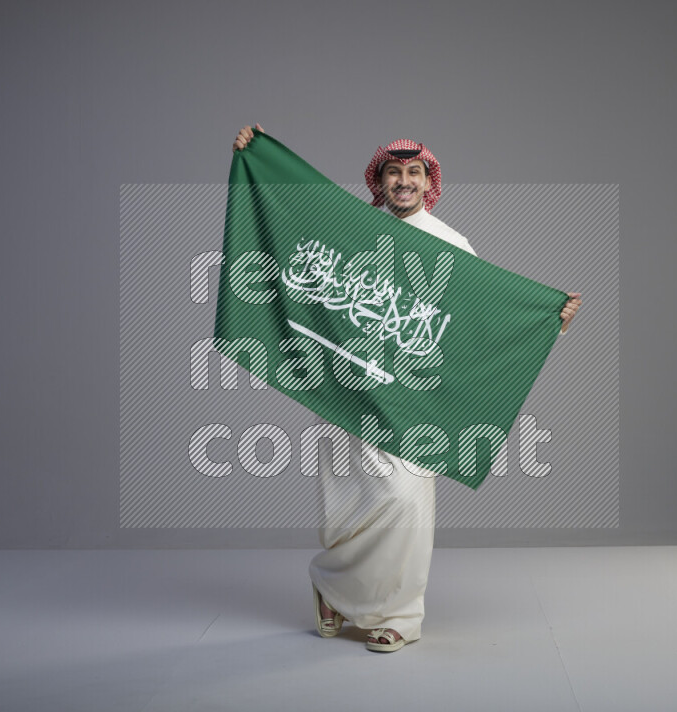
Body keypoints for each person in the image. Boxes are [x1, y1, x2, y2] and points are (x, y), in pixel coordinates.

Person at [233, 125, 582, 652]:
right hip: (345, 387)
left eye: (413, 173)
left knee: (404, 501)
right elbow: (291, 231)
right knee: (347, 506)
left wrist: (547, 323)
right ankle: (332, 587)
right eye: (393, 173)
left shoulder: (450, 244)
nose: (403, 181)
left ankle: (399, 615)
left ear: (427, 182)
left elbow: (480, 320)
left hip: (410, 401)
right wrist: (258, 156)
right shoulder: (350, 229)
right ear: (379, 181)